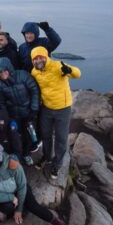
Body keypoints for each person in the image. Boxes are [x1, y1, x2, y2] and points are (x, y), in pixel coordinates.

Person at [0, 143, 75, 225]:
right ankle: (2, 210)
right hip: (3, 195)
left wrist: (19, 210)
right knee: (8, 207)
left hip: (18, 189)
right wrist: (10, 197)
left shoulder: (13, 164)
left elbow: (22, 187)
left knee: (33, 206)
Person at [30, 46, 81, 179]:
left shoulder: (58, 66)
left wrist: (70, 70)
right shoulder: (34, 72)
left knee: (61, 138)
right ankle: (46, 157)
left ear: (46, 57)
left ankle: (57, 164)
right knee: (46, 135)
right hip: (46, 108)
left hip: (63, 108)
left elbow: (77, 74)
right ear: (32, 60)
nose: (38, 60)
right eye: (35, 58)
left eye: (41, 57)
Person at [0, 57, 40, 163]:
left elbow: (34, 90)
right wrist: (6, 117)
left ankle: (26, 154)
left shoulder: (23, 75)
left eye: (4, 70)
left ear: (9, 68)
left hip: (28, 112)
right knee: (15, 136)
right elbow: (1, 101)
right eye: (0, 72)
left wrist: (34, 109)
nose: (2, 73)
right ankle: (18, 156)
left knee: (29, 135)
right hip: (14, 115)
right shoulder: (0, 84)